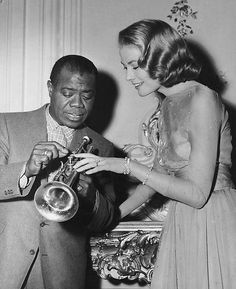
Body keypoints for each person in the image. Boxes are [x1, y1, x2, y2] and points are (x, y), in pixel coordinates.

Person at [74, 20, 236, 289]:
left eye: (135, 65)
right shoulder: (167, 104)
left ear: (162, 57)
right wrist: (110, 217)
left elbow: (197, 195)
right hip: (183, 220)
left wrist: (125, 165)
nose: (128, 76)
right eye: (125, 66)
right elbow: (159, 176)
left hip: (213, 220)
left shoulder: (203, 98)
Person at [0, 54, 117, 289]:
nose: (77, 104)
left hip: (63, 275)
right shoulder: (7, 125)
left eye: (87, 96)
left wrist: (91, 196)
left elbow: (108, 218)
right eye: (68, 93)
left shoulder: (102, 147)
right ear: (51, 88)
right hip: (7, 265)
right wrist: (27, 169)